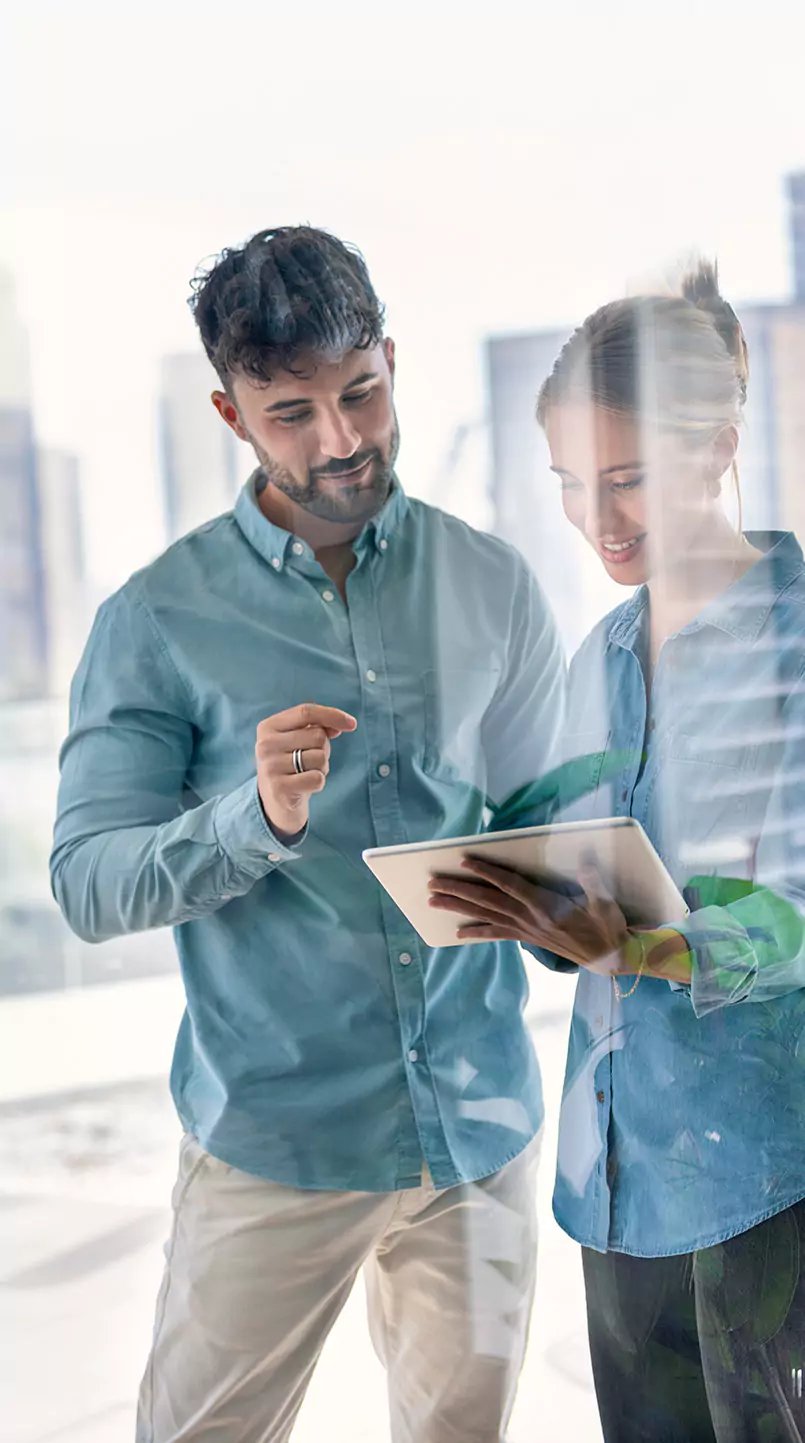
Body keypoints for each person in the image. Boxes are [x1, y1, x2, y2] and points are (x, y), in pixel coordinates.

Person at [49, 226, 565, 1443]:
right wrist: (255, 817)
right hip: (276, 1139)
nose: (340, 441)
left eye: (361, 394)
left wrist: (608, 903)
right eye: (292, 414)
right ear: (233, 416)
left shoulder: (495, 582)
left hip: (478, 1125)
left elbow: (544, 825)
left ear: (390, 358)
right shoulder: (157, 620)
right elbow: (86, 882)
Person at [429, 263, 805, 1441]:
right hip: (614, 1188)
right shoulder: (595, 661)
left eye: (628, 477)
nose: (599, 519)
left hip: (768, 1185)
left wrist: (643, 946)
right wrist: (525, 900)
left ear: (719, 446)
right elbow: (585, 870)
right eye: (573, 485)